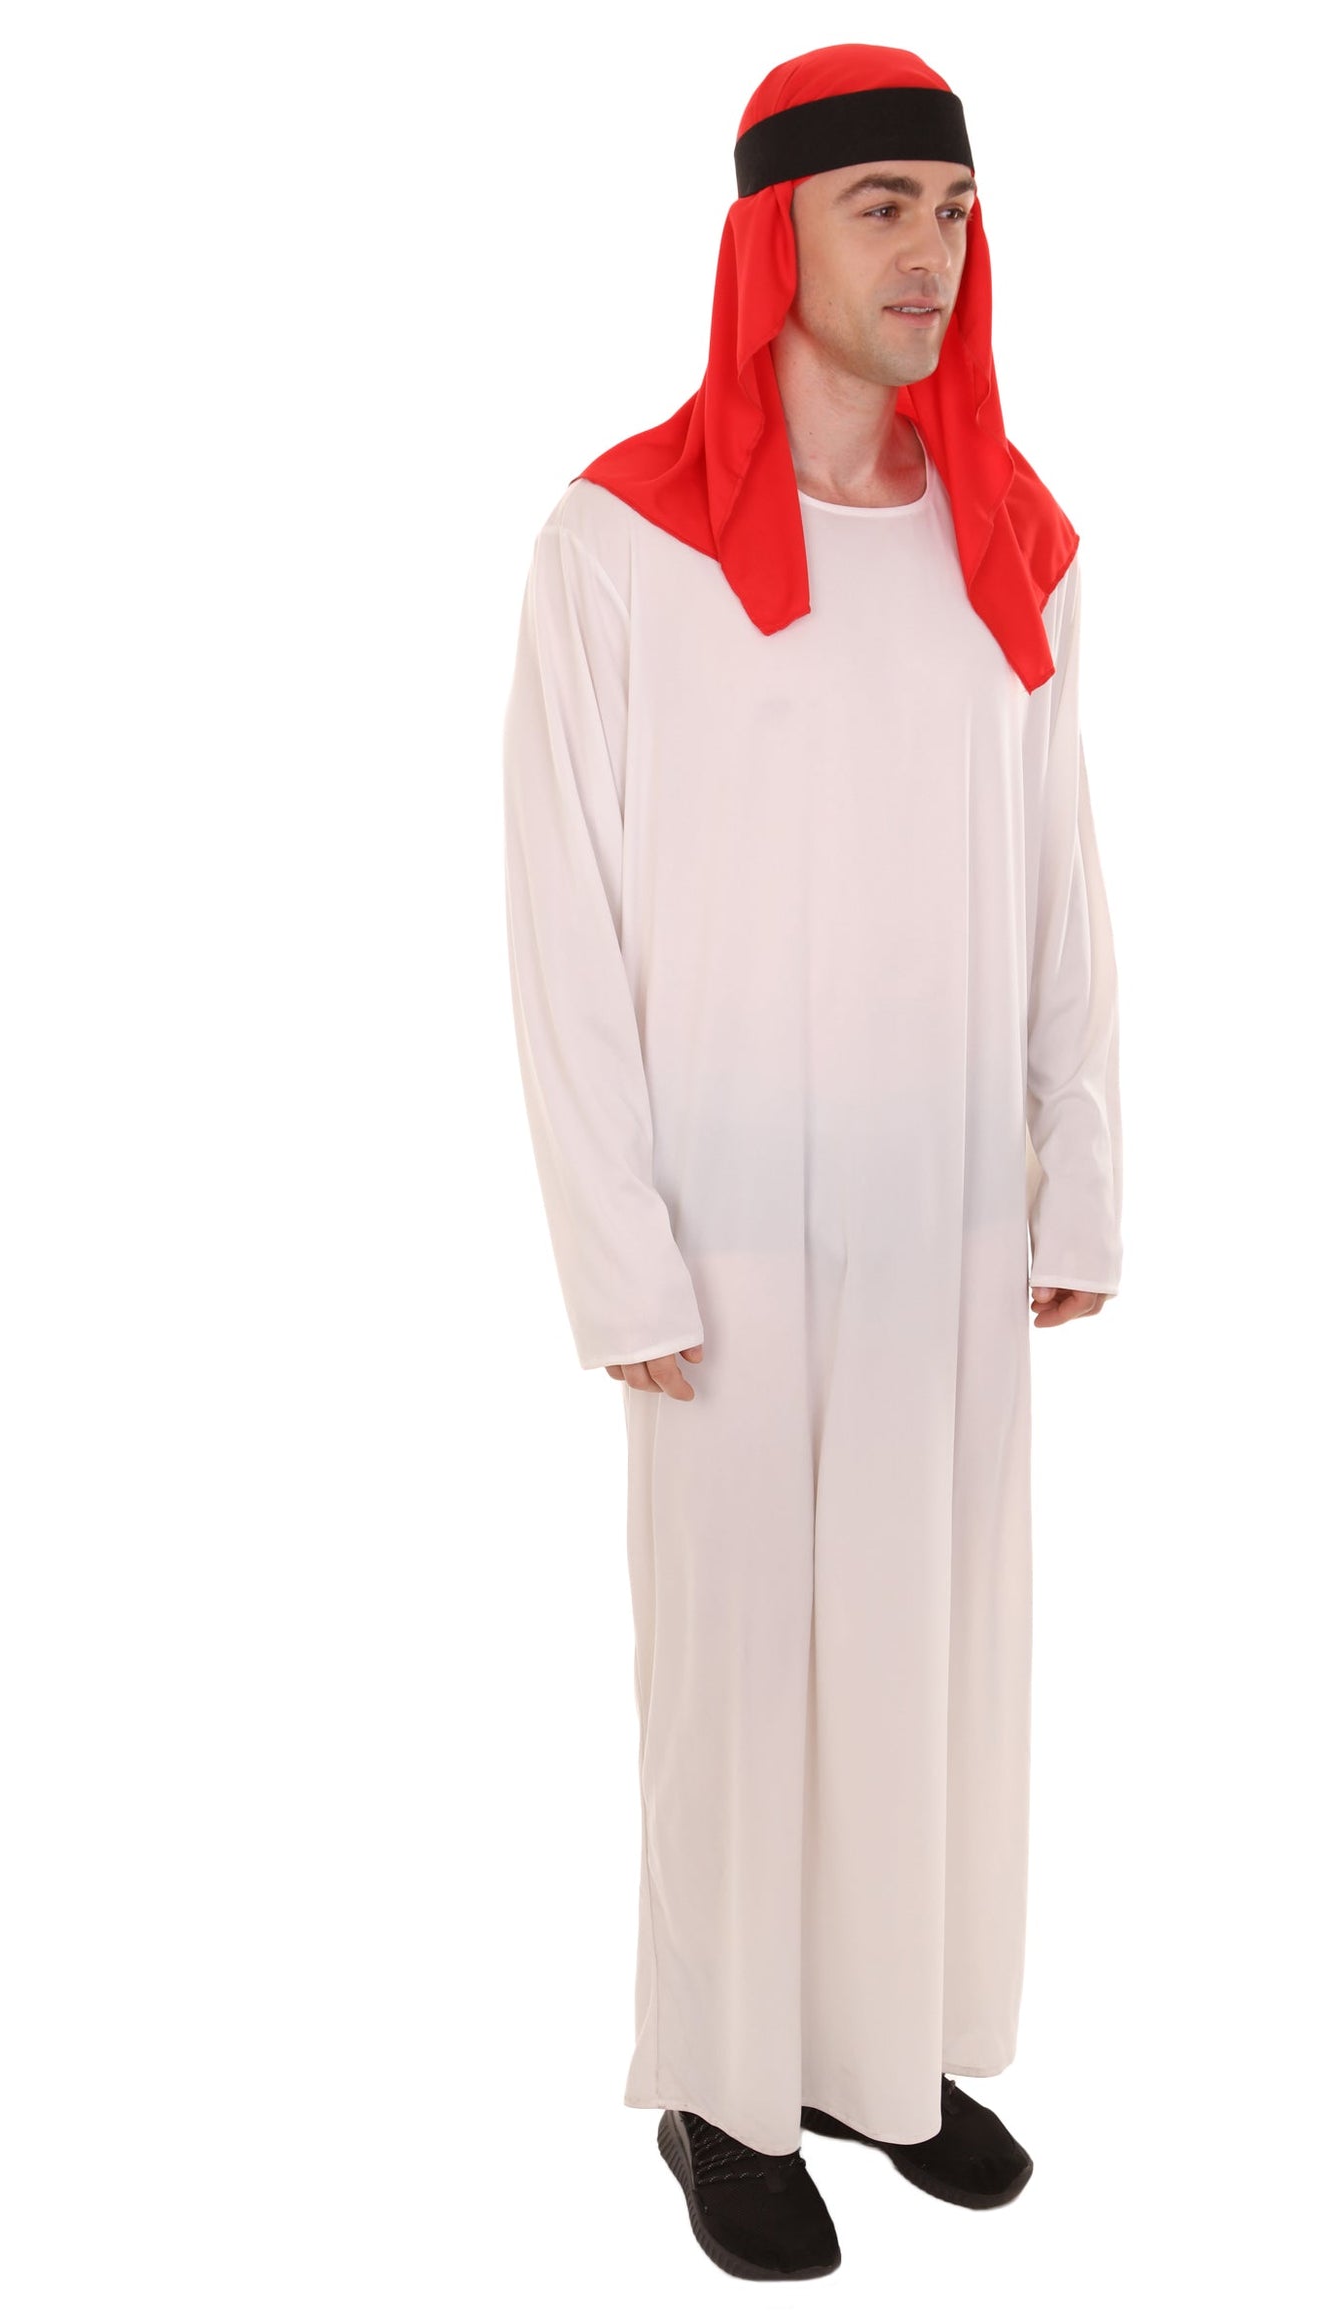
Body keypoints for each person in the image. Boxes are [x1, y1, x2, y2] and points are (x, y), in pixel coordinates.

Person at [501, 43, 1122, 2281]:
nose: (928, 251)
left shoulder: (1007, 537)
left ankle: (880, 2060)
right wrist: (620, 1253)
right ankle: (722, 2088)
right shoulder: (620, 545)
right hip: (729, 1231)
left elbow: (1058, 875)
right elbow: (559, 912)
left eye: (951, 210)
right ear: (773, 236)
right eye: (881, 206)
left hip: (945, 1210)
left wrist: (1075, 1168)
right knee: (740, 1670)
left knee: (925, 1655)